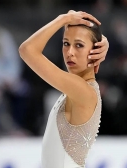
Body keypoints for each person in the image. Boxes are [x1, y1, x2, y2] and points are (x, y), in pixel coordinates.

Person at [18, 10, 108, 167]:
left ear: (95, 50)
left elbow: (27, 50)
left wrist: (62, 19)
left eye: (79, 45)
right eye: (66, 43)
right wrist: (101, 40)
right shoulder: (76, 87)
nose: (70, 53)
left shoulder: (82, 90)